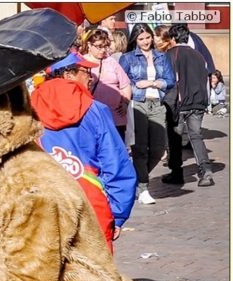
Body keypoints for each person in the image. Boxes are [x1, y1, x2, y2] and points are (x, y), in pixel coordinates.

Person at [31, 51, 136, 252]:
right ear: (68, 75)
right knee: (94, 278)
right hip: (90, 206)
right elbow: (115, 164)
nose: (90, 77)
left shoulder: (27, 108)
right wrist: (118, 213)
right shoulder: (96, 110)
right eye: (85, 71)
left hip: (41, 208)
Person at [119, 24, 175, 205]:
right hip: (138, 104)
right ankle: (143, 188)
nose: (145, 42)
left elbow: (170, 81)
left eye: (148, 37)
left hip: (157, 104)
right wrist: (138, 86)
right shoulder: (127, 58)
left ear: (152, 37)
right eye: (141, 38)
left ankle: (135, 180)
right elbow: (123, 83)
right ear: (135, 39)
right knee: (140, 148)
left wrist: (155, 83)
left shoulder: (161, 56)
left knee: (159, 148)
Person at [161, 26, 214, 188]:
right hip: (198, 102)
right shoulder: (199, 56)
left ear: (173, 38)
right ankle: (205, 171)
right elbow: (207, 78)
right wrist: (207, 102)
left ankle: (176, 172)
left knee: (175, 138)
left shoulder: (170, 55)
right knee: (196, 136)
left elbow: (169, 81)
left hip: (180, 103)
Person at [81, 28, 132, 140]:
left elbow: (125, 84)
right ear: (89, 45)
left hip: (115, 117)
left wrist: (125, 102)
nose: (103, 50)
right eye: (99, 46)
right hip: (92, 116)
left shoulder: (111, 62)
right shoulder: (81, 63)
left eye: (105, 46)